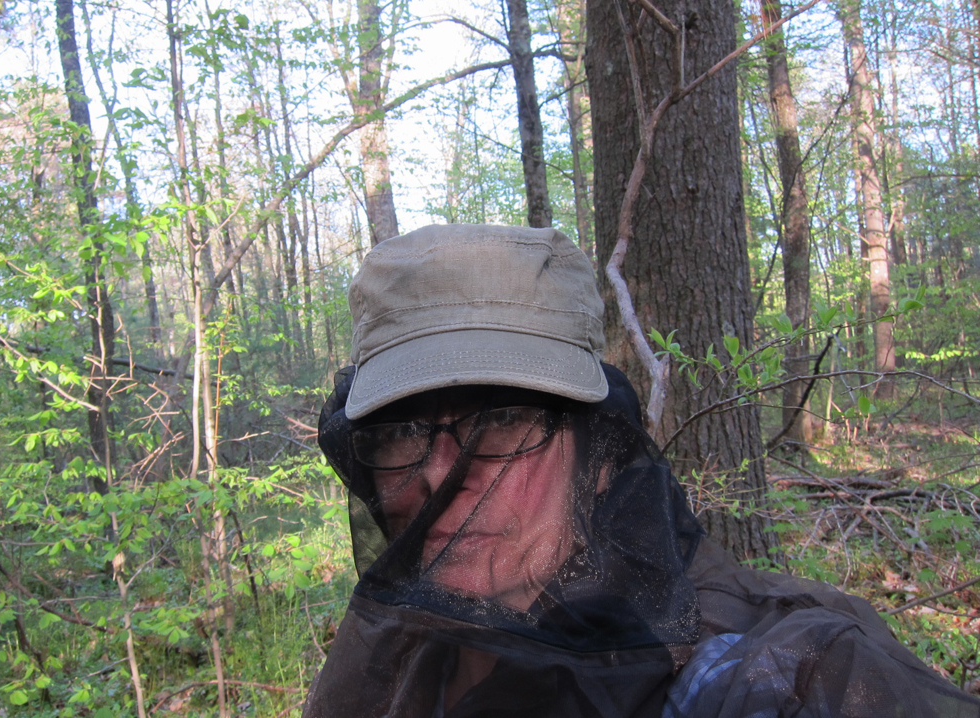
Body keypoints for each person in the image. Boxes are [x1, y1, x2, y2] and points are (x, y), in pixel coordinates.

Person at [305, 224, 980, 717]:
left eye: (504, 421)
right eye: (402, 431)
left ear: (597, 456)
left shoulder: (783, 676)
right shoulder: (402, 660)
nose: (440, 477)